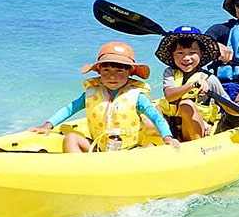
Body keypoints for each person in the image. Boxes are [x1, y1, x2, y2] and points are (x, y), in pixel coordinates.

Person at [30, 42, 180, 153]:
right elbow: (69, 109)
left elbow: (156, 118)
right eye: (106, 70)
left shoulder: (137, 96)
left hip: (131, 150)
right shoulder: (91, 93)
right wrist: (47, 125)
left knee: (150, 149)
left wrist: (167, 137)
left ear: (130, 73)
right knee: (71, 138)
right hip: (98, 148)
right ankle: (81, 171)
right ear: (99, 71)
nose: (112, 76)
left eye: (119, 71)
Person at [153, 26, 239, 140]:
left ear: (201, 53)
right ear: (172, 55)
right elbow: (169, 96)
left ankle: (196, 144)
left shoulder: (210, 79)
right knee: (153, 109)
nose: (186, 58)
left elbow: (228, 106)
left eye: (192, 52)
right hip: (174, 128)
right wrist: (193, 85)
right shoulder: (170, 73)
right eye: (180, 53)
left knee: (186, 105)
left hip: (199, 130)